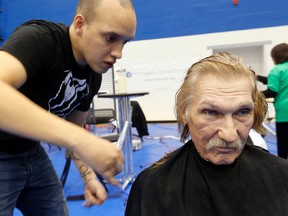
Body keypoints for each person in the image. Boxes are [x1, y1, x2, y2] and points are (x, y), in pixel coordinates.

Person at [0, 0, 136, 215]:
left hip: (31, 152)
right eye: (110, 38)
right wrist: (82, 139)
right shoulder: (40, 39)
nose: (118, 53)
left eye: (125, 42)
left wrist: (89, 177)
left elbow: (75, 127)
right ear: (80, 25)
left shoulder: (92, 75)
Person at [125, 52, 288, 216]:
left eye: (242, 112)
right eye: (211, 113)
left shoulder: (282, 175)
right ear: (184, 111)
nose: (230, 135)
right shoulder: (152, 187)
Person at [261, 43, 288, 159]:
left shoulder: (276, 70)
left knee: (283, 146)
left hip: (284, 114)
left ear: (275, 57)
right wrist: (258, 78)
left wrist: (254, 95)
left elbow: (272, 92)